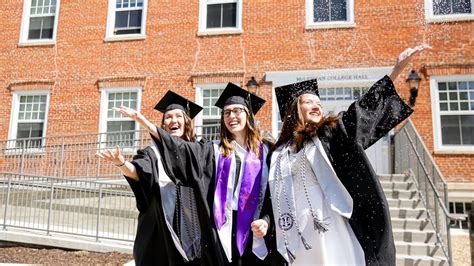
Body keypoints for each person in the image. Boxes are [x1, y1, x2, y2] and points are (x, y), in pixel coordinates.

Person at [265, 44, 431, 265]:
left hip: (332, 223)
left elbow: (362, 110)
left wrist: (396, 70)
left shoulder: (330, 134)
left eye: (319, 102)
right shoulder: (279, 152)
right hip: (296, 228)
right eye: (309, 102)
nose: (317, 106)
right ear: (295, 109)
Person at [114, 83, 272, 265]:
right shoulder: (212, 150)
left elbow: (272, 194)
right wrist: (146, 125)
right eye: (227, 112)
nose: (232, 116)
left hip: (254, 226)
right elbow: (181, 150)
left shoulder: (267, 152)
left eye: (237, 111)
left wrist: (266, 220)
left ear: (248, 115)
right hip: (221, 227)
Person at [95, 90, 203, 266]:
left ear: (186, 122)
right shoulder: (152, 153)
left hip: (192, 224)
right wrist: (121, 163)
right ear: (163, 125)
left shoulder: (198, 150)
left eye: (178, 116)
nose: (173, 120)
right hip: (159, 226)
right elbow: (138, 171)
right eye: (168, 117)